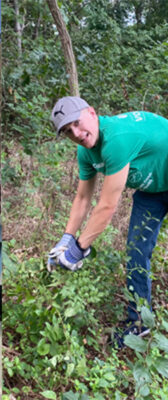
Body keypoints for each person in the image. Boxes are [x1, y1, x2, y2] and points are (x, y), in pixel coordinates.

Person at [47, 96, 168, 346]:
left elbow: (107, 205)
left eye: (78, 124)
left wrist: (78, 249)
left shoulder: (117, 139)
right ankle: (139, 323)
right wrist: (66, 239)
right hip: (153, 190)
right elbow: (82, 198)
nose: (77, 134)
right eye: (68, 131)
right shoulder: (86, 152)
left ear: (92, 112)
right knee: (136, 250)